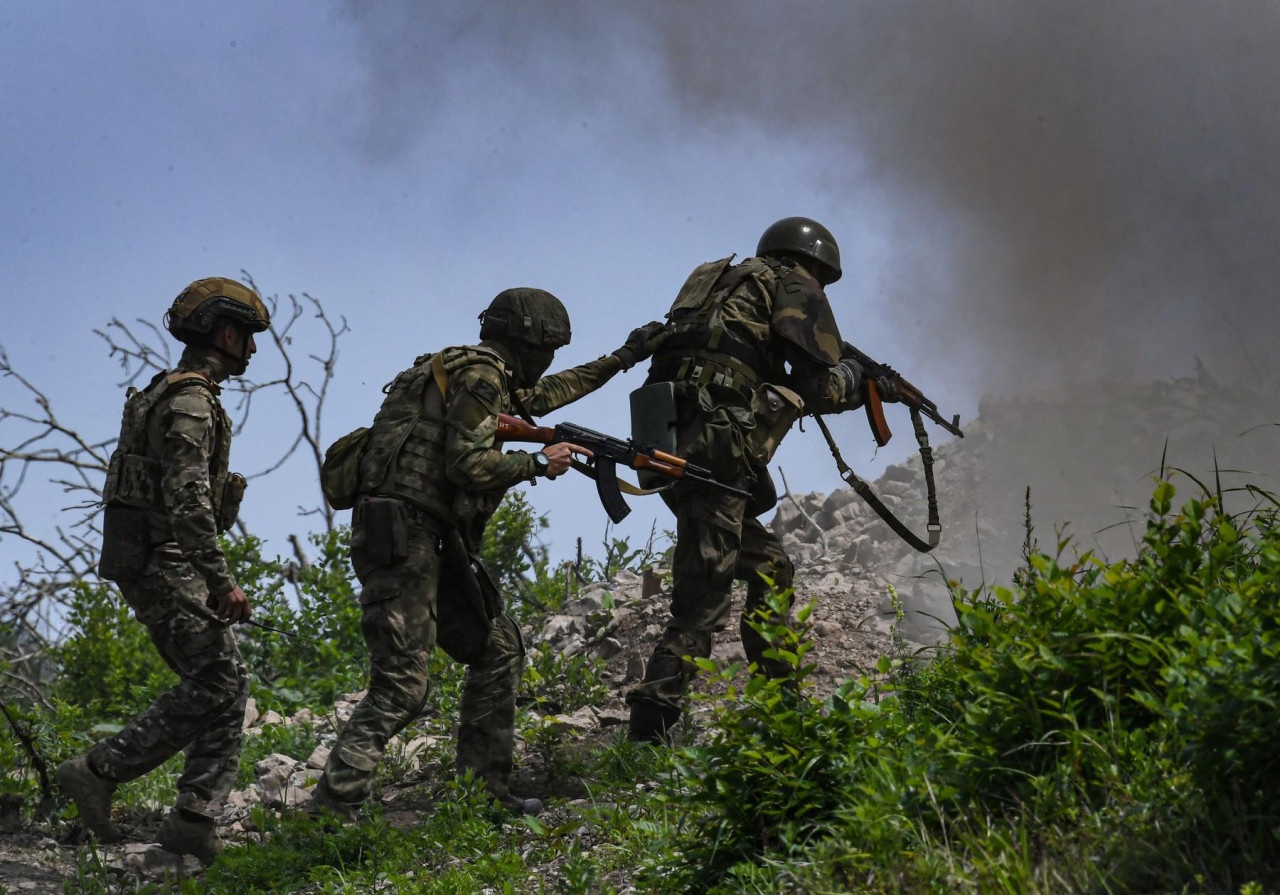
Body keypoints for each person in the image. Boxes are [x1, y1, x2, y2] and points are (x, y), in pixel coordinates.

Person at [310, 288, 666, 819]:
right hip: (405, 538)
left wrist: (625, 357)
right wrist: (537, 464)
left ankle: (483, 794)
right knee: (402, 685)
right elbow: (467, 465)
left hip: (428, 539)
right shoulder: (481, 377)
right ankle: (329, 815)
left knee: (498, 647)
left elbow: (547, 395)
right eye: (548, 349)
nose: (548, 361)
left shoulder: (464, 371)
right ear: (530, 342)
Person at [624, 217, 897, 743]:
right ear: (814, 264)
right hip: (715, 456)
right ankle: (647, 733)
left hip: (674, 440)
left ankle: (781, 706)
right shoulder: (792, 286)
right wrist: (857, 381)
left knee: (772, 567)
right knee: (702, 602)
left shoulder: (719, 283)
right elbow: (819, 388)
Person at [58, 277, 270, 862]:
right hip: (164, 560)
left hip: (162, 558)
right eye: (248, 338)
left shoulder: (172, 391)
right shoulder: (191, 400)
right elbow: (187, 500)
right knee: (219, 681)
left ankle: (193, 821)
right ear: (226, 334)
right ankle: (99, 771)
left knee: (227, 684)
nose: (251, 351)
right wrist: (223, 580)